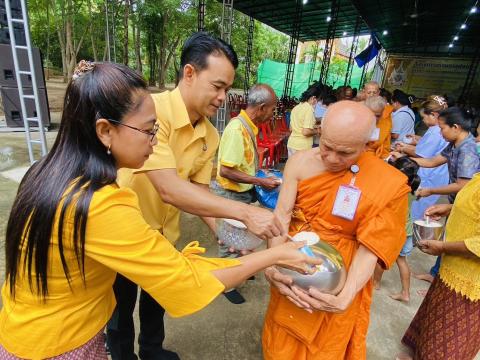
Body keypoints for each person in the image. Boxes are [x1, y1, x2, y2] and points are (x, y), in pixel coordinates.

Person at [0, 61, 319, 359]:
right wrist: (274, 254)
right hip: (58, 345)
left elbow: (194, 197)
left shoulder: (45, 171)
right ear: (105, 131)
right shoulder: (103, 203)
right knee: (124, 315)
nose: (154, 142)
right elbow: (184, 279)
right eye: (149, 130)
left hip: (26, 330)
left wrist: (221, 228)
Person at [108, 32, 284, 360]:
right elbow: (169, 188)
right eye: (217, 86)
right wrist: (245, 213)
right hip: (124, 232)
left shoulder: (210, 134)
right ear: (189, 73)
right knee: (119, 307)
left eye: (228, 89)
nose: (222, 97)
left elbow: (199, 191)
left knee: (157, 298)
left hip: (163, 234)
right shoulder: (151, 113)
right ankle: (121, 355)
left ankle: (151, 349)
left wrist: (224, 231)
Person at [262, 101, 411, 359]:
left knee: (329, 342)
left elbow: (372, 246)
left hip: (345, 270)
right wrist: (272, 264)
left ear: (367, 145)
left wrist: (347, 294)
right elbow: (282, 217)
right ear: (320, 131)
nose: (331, 158)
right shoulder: (299, 162)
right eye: (326, 146)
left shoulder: (387, 182)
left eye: (344, 153)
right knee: (284, 334)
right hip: (297, 261)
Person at [398, 176, 480, 360]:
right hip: (452, 268)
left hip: (470, 284)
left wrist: (442, 247)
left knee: (448, 342)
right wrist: (452, 208)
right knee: (434, 324)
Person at [212, 83, 281, 304]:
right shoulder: (236, 129)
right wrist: (259, 180)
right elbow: (226, 170)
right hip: (231, 194)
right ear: (261, 108)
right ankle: (226, 284)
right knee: (228, 239)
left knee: (241, 237)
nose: (273, 114)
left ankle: (240, 270)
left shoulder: (249, 125)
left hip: (243, 192)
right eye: (272, 110)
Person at [394, 107, 480, 283]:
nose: (440, 133)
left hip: (467, 205)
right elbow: (433, 161)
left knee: (456, 242)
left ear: (455, 127)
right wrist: (404, 160)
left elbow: (462, 186)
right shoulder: (455, 144)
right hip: (456, 203)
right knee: (449, 237)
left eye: (442, 128)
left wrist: (431, 191)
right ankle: (436, 274)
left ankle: (441, 277)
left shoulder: (468, 150)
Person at [372, 157, 421, 301]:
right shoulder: (414, 189)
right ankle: (405, 293)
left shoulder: (394, 190)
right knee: (402, 260)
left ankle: (375, 283)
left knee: (381, 258)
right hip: (408, 231)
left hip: (395, 231)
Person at [287, 85, 321, 156]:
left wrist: (314, 126)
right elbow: (306, 132)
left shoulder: (296, 107)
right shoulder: (309, 109)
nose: (317, 103)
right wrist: (318, 131)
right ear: (313, 98)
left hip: (291, 144)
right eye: (317, 100)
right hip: (301, 147)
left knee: (292, 166)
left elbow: (291, 128)